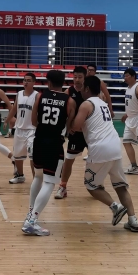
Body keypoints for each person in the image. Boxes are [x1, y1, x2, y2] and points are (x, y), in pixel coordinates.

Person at [73, 75, 138, 233]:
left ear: (87, 88)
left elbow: (76, 126)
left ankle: (115, 207)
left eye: (82, 87)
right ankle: (133, 220)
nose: (80, 89)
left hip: (100, 148)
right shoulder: (103, 103)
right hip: (115, 145)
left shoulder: (86, 104)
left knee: (91, 186)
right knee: (120, 186)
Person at [21, 70, 75, 236]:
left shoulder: (40, 96)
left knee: (38, 177)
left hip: (39, 141)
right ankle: (32, 221)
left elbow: (34, 121)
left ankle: (30, 213)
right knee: (50, 182)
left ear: (49, 82)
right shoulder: (70, 101)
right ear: (63, 82)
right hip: (54, 144)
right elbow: (70, 127)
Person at [55, 66, 87, 199]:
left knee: (97, 159)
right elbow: (64, 111)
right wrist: (68, 127)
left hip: (91, 131)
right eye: (75, 77)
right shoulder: (68, 92)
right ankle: (62, 186)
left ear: (85, 78)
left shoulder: (90, 91)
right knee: (68, 159)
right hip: (76, 133)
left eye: (80, 77)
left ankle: (97, 183)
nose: (77, 79)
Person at [6, 73, 39, 184]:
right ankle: (20, 176)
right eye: (24, 80)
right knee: (18, 156)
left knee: (33, 156)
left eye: (28, 80)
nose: (26, 82)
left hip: (32, 130)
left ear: (34, 82)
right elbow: (14, 109)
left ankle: (36, 180)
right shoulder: (19, 94)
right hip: (19, 129)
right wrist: (7, 120)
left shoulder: (37, 95)